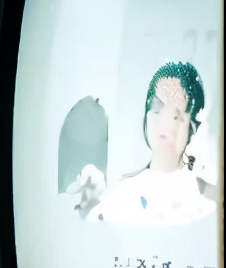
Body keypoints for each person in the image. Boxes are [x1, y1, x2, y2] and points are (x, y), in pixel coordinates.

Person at [67, 60, 216, 225]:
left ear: (193, 125)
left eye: (176, 114)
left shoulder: (207, 200)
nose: (164, 124)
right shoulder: (125, 193)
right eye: (157, 109)